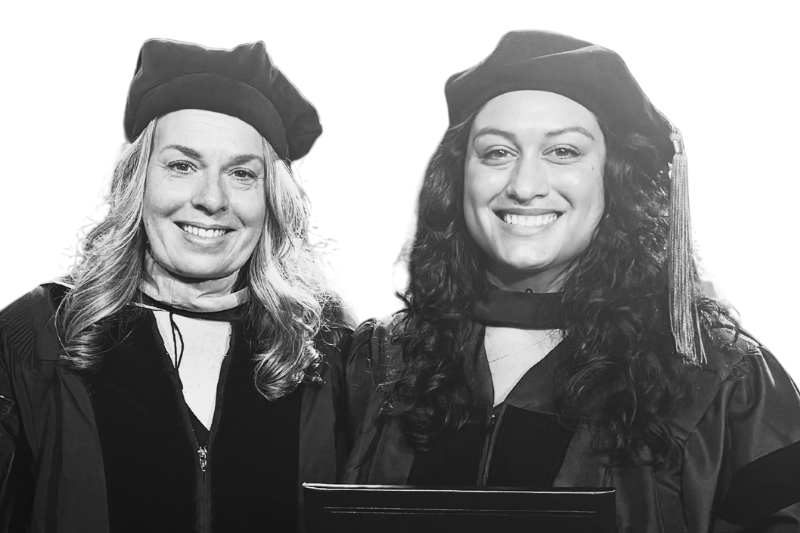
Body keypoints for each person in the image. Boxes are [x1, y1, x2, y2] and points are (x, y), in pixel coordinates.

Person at [345, 31, 800, 531]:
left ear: (614, 177)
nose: (524, 185)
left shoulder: (717, 376)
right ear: (458, 179)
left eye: (562, 151)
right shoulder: (383, 363)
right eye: (497, 152)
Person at [0, 39, 352, 532]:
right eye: (182, 165)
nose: (212, 199)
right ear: (137, 180)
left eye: (242, 173)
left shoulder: (323, 351)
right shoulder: (41, 335)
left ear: (272, 198)